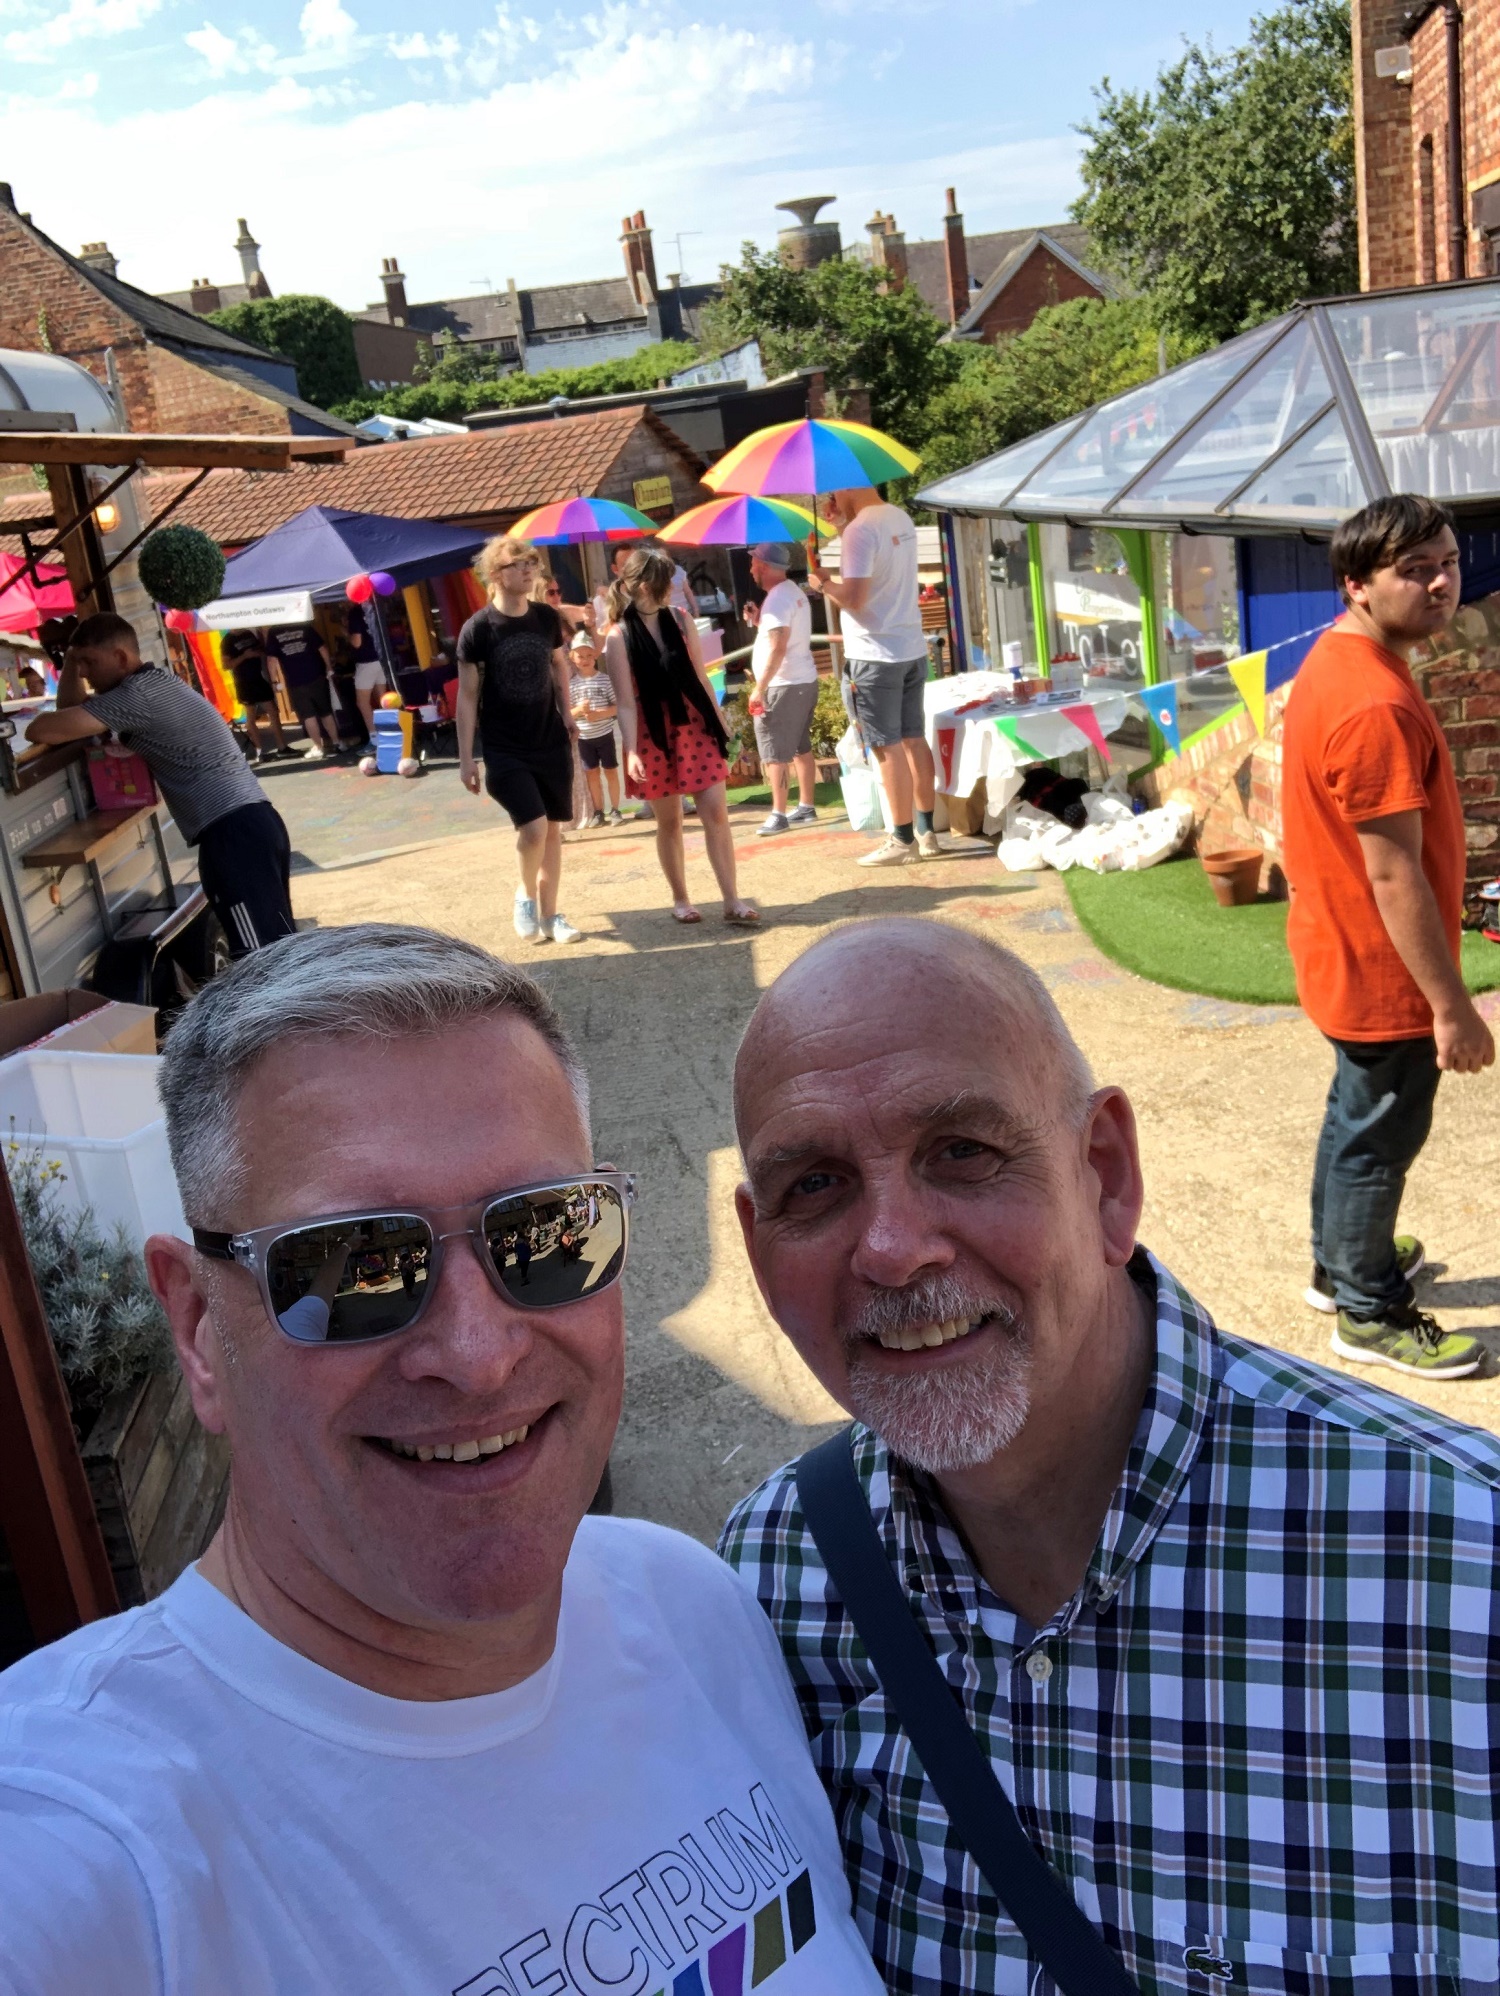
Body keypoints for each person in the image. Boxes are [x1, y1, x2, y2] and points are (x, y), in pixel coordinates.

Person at [0, 924, 886, 1996]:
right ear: (196, 1327)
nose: (478, 1353)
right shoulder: (92, 1848)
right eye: (354, 1265)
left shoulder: (690, 1605)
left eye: (547, 1233)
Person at [721, 916, 1500, 1996]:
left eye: (963, 1151)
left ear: (1105, 1175)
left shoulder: (1462, 1572)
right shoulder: (770, 1585)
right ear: (761, 1255)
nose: (893, 1249)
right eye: (814, 1185)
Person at [1282, 493, 1493, 1375]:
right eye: (1414, 570)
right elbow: (1394, 873)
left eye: (1448, 562)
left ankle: (1340, 1262)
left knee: (1354, 1118)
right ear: (1357, 585)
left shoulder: (1346, 659)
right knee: (1379, 1140)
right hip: (1382, 971)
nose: (1441, 583)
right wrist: (1452, 1006)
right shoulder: (1373, 701)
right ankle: (1368, 1313)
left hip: (1343, 950)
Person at [24, 612, 294, 957]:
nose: (85, 673)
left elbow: (42, 729)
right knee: (276, 946)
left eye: (89, 662)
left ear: (121, 657)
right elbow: (69, 711)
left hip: (233, 833)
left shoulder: (136, 697)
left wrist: (70, 662)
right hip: (250, 823)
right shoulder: (152, 684)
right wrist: (73, 660)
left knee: (259, 957)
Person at [602, 548, 759, 927]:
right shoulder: (618, 636)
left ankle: (732, 899)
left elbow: (702, 678)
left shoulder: (681, 618)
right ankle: (681, 899)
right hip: (652, 734)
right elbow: (626, 704)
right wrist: (632, 751)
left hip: (695, 726)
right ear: (644, 586)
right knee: (670, 822)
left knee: (716, 813)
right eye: (665, 583)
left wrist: (723, 725)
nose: (672, 588)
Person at [456, 535, 582, 947]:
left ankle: (551, 915)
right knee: (534, 828)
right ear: (495, 574)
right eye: (519, 563)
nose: (529, 570)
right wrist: (466, 758)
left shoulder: (546, 618)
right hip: (505, 747)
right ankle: (525, 895)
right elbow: (467, 697)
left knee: (553, 832)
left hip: (550, 741)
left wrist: (567, 711)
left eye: (532, 562)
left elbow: (558, 663)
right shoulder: (478, 629)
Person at [807, 489, 939, 866]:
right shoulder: (899, 517)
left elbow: (855, 598)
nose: (831, 499)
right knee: (914, 739)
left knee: (886, 746)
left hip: (874, 655)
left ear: (847, 487)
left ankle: (901, 840)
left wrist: (822, 584)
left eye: (834, 491)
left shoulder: (860, 531)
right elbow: (880, 575)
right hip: (910, 646)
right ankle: (925, 831)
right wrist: (842, 526)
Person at [745, 543, 819, 837]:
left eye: (753, 563)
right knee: (801, 747)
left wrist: (759, 687)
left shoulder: (777, 600)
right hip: (802, 680)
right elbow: (781, 637)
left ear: (764, 566)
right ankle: (806, 806)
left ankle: (778, 814)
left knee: (774, 751)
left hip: (783, 685)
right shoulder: (792, 592)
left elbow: (778, 647)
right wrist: (758, 621)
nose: (750, 569)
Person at [569, 627, 624, 827]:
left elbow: (617, 706)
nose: (585, 659)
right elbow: (568, 712)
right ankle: (598, 811)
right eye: (580, 656)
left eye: (589, 655)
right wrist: (579, 710)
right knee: (592, 773)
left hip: (604, 734)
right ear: (572, 658)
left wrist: (599, 714)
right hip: (584, 738)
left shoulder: (604, 680)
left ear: (595, 656)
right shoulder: (571, 684)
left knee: (610, 771)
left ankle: (615, 809)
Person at [264, 622, 340, 760]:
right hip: (316, 675)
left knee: (308, 715)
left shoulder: (274, 631)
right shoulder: (304, 625)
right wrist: (329, 667)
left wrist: (274, 681)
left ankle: (318, 747)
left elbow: (271, 660)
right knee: (325, 712)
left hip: (295, 681)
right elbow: (322, 648)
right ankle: (336, 743)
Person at [220, 625, 293, 763]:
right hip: (244, 681)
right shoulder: (227, 641)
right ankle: (259, 752)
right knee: (251, 716)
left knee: (273, 711)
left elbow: (261, 649)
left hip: (258, 677)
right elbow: (226, 665)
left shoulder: (248, 633)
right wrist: (244, 656)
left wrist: (259, 650)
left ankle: (282, 747)